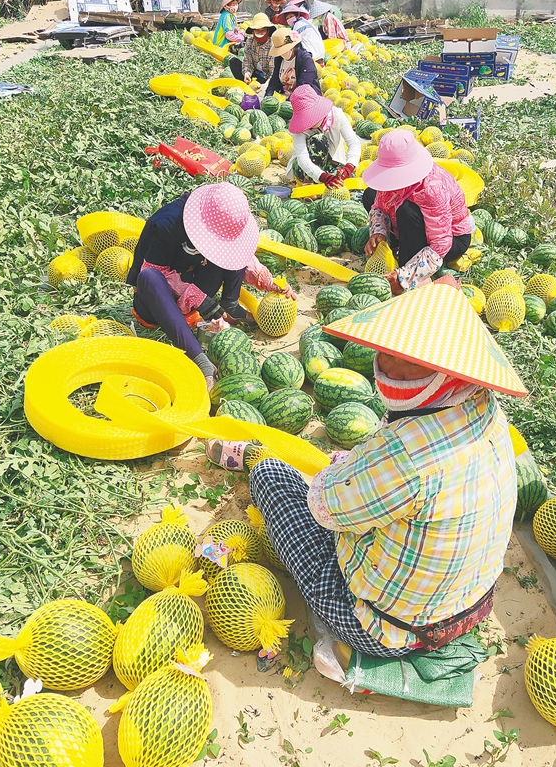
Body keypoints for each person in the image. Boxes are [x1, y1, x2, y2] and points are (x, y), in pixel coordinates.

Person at [207, 278, 525, 659]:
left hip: (385, 630)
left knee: (272, 477)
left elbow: (323, 506)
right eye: (391, 350)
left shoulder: (403, 454)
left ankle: (256, 460)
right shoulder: (487, 410)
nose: (387, 365)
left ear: (447, 373)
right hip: (467, 607)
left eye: (410, 362)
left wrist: (344, 468)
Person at [127, 182, 295, 390]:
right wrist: (199, 299)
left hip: (192, 303)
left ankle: (228, 307)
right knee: (150, 278)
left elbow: (240, 254)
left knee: (234, 252)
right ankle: (199, 359)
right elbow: (153, 271)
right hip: (157, 303)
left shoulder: (220, 227)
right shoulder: (168, 224)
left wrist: (269, 282)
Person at [362, 129, 475, 295]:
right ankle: (399, 244)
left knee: (406, 211)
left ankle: (412, 269)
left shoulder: (432, 190)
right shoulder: (392, 180)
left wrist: (405, 277)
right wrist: (379, 232)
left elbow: (440, 245)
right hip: (416, 226)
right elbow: (379, 205)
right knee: (370, 194)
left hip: (450, 239)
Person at [287, 84, 360, 188]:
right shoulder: (299, 128)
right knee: (319, 139)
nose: (308, 123)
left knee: (342, 180)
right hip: (303, 168)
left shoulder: (337, 115)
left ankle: (323, 180)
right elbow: (303, 158)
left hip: (330, 162)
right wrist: (322, 177)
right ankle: (308, 183)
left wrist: (349, 166)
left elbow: (353, 142)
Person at [266, 28, 320, 100]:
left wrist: (286, 103)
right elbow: (274, 81)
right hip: (285, 97)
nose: (281, 54)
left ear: (293, 47)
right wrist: (268, 96)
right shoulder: (279, 58)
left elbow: (303, 87)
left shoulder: (305, 60)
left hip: (305, 100)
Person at [239, 12, 275, 85]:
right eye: (257, 30)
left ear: (268, 31)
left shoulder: (272, 45)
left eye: (263, 30)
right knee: (234, 62)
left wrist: (266, 85)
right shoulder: (249, 42)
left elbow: (273, 72)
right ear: (253, 31)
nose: (260, 33)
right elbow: (247, 62)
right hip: (255, 75)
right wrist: (247, 74)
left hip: (268, 78)